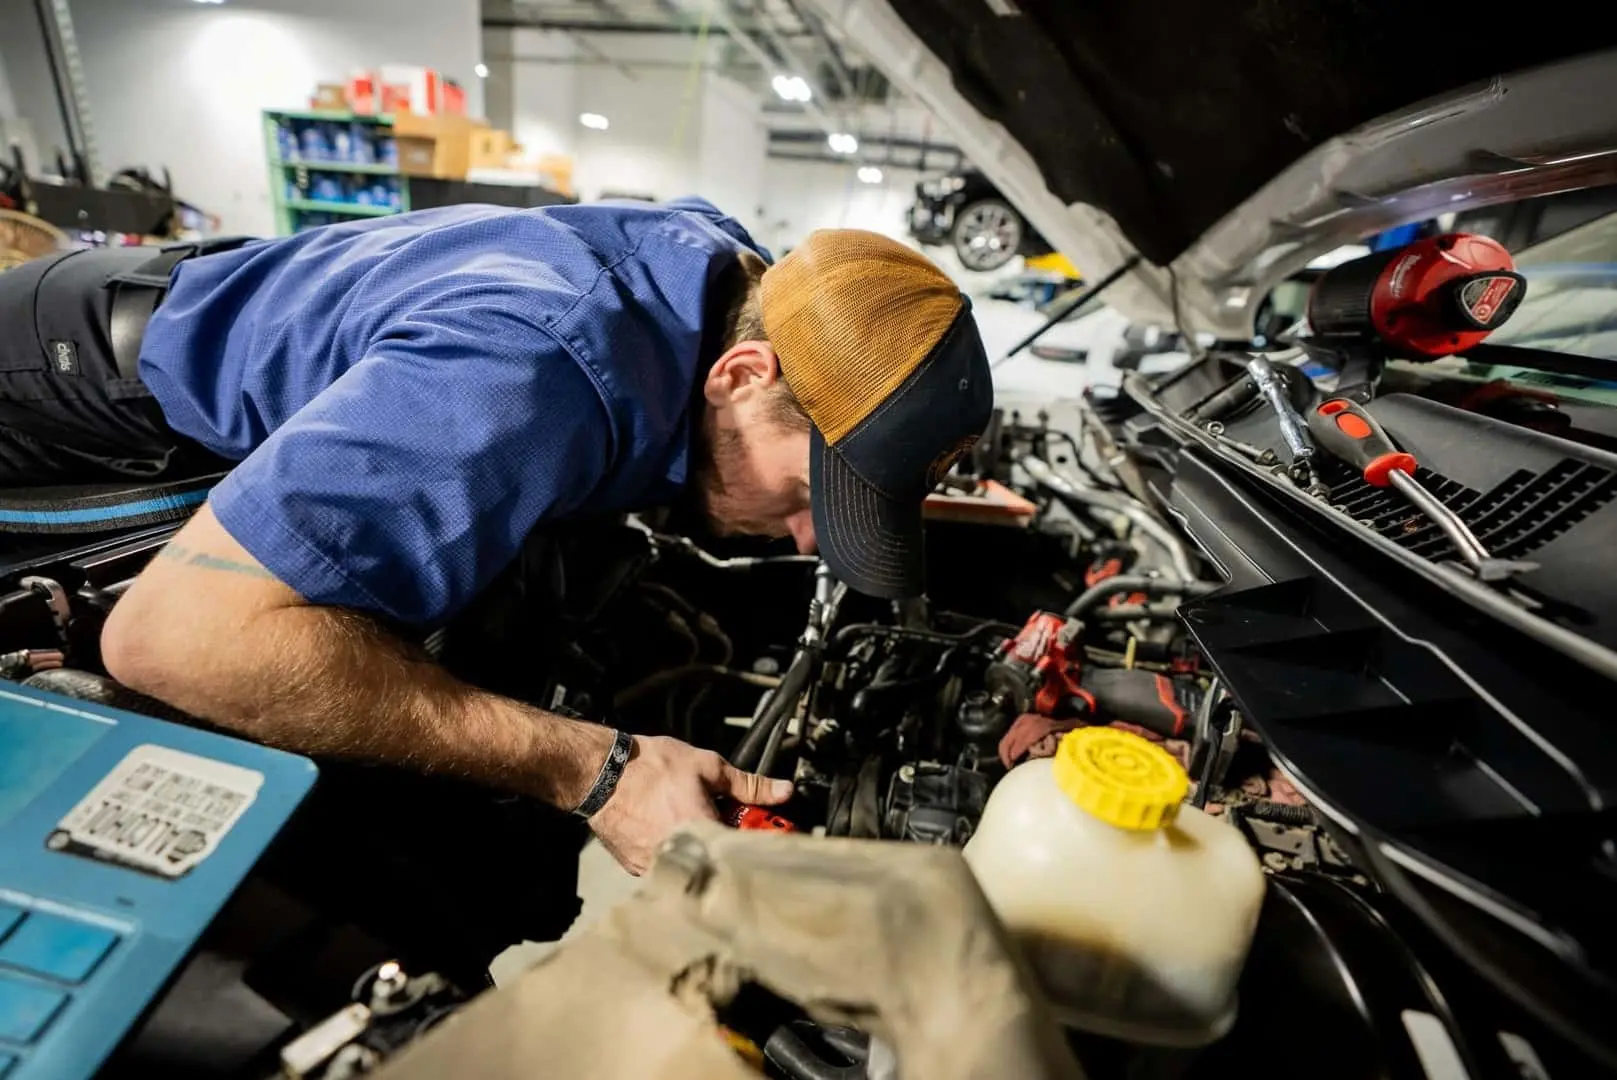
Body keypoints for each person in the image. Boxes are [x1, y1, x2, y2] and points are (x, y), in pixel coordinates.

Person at [0, 197, 992, 969]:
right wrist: (597, 771)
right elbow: (172, 637)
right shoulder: (528, 371)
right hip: (63, 394)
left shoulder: (731, 273)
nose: (815, 538)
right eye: (814, 488)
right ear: (739, 374)